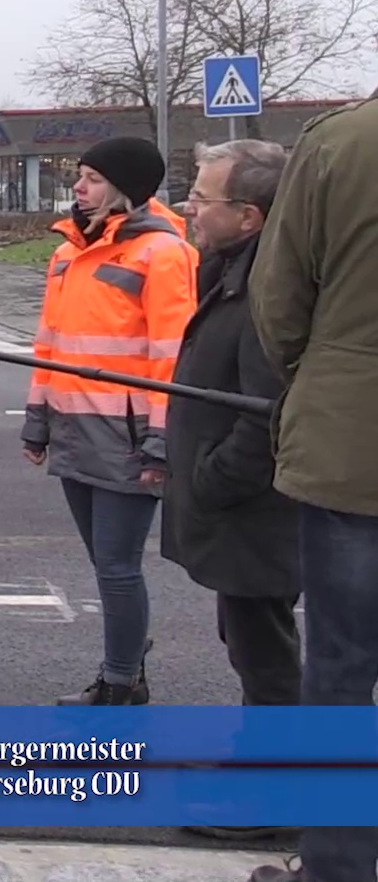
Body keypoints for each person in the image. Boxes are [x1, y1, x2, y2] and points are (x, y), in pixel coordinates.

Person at [245, 91, 378, 882]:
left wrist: (322, 377)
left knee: (340, 666)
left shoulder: (339, 143)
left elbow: (280, 296)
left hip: (353, 441)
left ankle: (338, 864)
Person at [20, 136, 198, 706]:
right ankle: (127, 667)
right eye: (80, 176)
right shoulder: (69, 251)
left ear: (125, 187)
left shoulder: (162, 253)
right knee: (105, 566)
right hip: (75, 429)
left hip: (128, 437)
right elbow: (50, 343)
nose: (78, 187)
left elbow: (173, 355)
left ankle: (120, 682)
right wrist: (38, 417)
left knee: (118, 569)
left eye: (92, 178)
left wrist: (161, 439)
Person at [162, 141, 300, 712]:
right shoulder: (229, 269)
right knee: (248, 644)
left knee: (264, 656)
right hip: (238, 509)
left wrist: (211, 480)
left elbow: (265, 413)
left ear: (249, 216)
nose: (189, 207)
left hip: (253, 512)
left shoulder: (265, 292)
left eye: (200, 197)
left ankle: (273, 785)